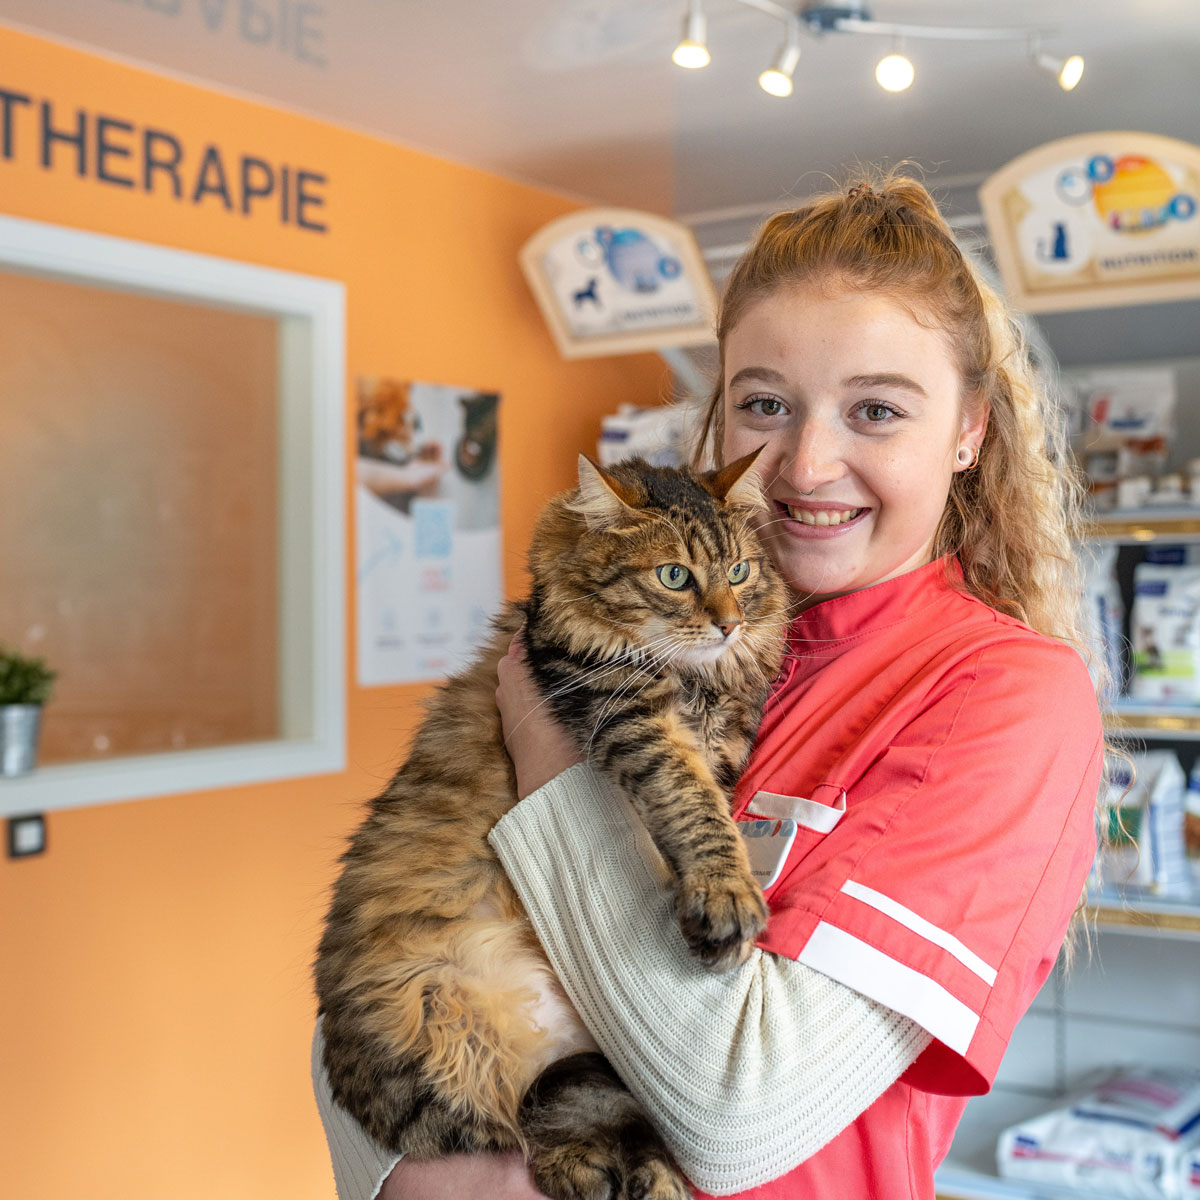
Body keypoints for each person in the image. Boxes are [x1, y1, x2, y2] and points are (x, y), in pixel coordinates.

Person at [313, 172, 1104, 1199]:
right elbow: (379, 979)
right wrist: (408, 1176)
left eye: (876, 410)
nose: (805, 466)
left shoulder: (1000, 696)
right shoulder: (681, 635)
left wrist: (549, 755)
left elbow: (740, 1117)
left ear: (969, 432)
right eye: (765, 405)